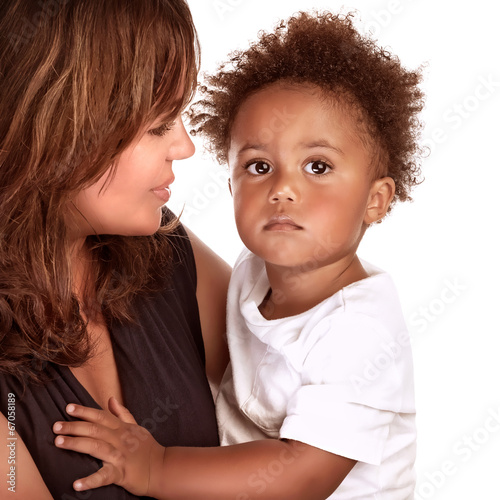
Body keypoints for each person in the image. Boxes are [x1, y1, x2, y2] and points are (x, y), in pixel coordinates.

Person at [52, 11, 425, 499]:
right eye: (259, 165)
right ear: (231, 185)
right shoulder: (252, 277)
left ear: (376, 200)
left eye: (318, 165)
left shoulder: (360, 329)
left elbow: (301, 475)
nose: (284, 189)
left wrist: (156, 467)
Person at [0, 1, 231, 498]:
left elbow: (313, 383)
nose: (185, 146)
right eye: (157, 125)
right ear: (55, 125)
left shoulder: (164, 250)